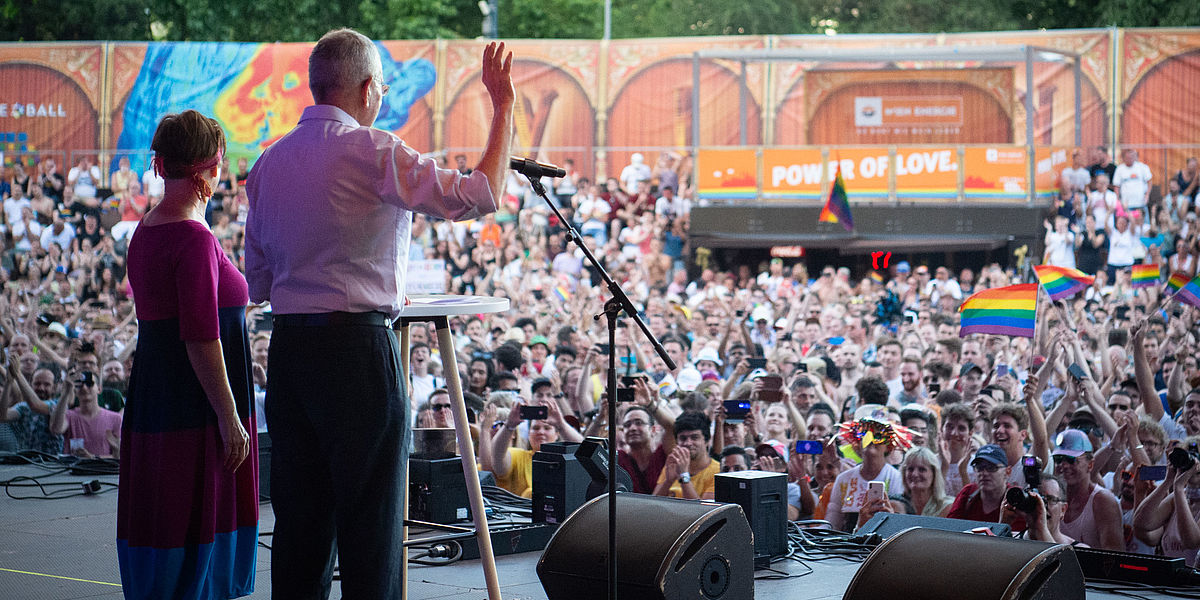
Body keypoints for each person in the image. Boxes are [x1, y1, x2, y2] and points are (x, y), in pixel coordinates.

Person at [243, 29, 513, 600]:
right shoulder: (373, 150)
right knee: (372, 530)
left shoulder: (267, 165)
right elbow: (481, 193)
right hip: (358, 357)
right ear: (367, 88)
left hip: (290, 355)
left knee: (299, 528)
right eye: (383, 86)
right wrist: (503, 105)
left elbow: (259, 282)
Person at [117, 109, 257, 599]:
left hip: (160, 393)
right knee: (194, 518)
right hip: (193, 404)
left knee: (166, 514)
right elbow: (201, 336)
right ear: (206, 170)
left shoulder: (148, 228)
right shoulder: (193, 238)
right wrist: (230, 416)